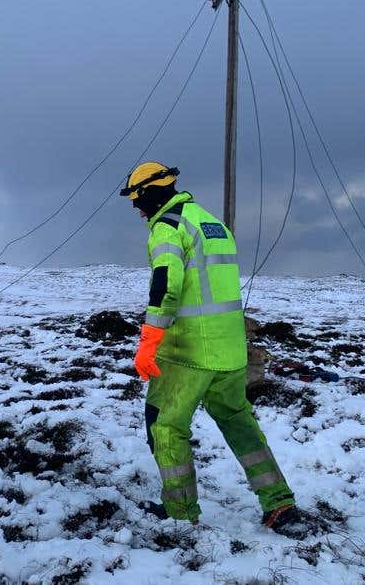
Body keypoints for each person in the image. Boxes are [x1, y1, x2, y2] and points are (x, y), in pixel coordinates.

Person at [121, 161, 305, 536]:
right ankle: (279, 504)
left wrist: (148, 342)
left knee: (166, 427)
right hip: (231, 352)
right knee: (240, 424)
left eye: (137, 198)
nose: (136, 208)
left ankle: (179, 511)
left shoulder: (168, 227)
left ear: (152, 193)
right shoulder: (211, 223)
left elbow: (165, 286)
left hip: (189, 353)